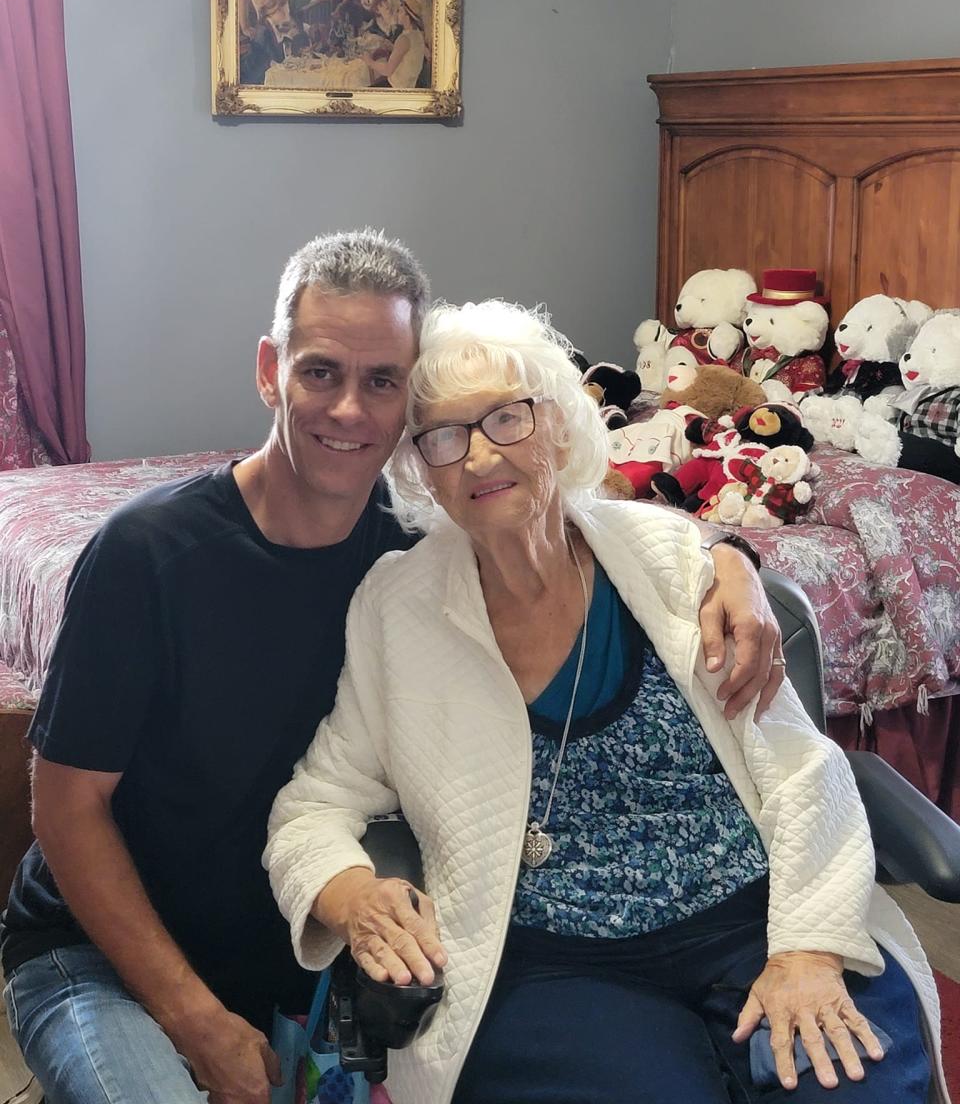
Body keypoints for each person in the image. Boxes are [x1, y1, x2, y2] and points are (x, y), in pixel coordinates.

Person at [0, 237, 782, 1104]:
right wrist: (192, 1018)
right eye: (320, 372)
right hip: (102, 959)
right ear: (270, 371)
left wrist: (729, 554)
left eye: (382, 382)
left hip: (295, 948)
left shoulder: (420, 555)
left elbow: (584, 523)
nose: (349, 410)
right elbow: (65, 807)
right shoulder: (146, 555)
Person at [265, 299, 943, 1104]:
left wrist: (808, 948)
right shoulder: (398, 607)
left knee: (845, 1084)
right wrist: (355, 896)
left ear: (560, 424)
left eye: (507, 419)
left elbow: (803, 767)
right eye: (443, 436)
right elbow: (313, 806)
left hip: (755, 922)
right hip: (549, 964)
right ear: (422, 471)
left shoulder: (670, 557)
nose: (480, 458)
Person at [362, 0, 425, 89]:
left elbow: (388, 70)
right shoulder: (417, 33)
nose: (396, 12)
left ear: (407, 17)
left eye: (400, 11)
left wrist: (370, 62)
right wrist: (392, 47)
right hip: (409, 84)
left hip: (397, 86)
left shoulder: (404, 39)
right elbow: (406, 53)